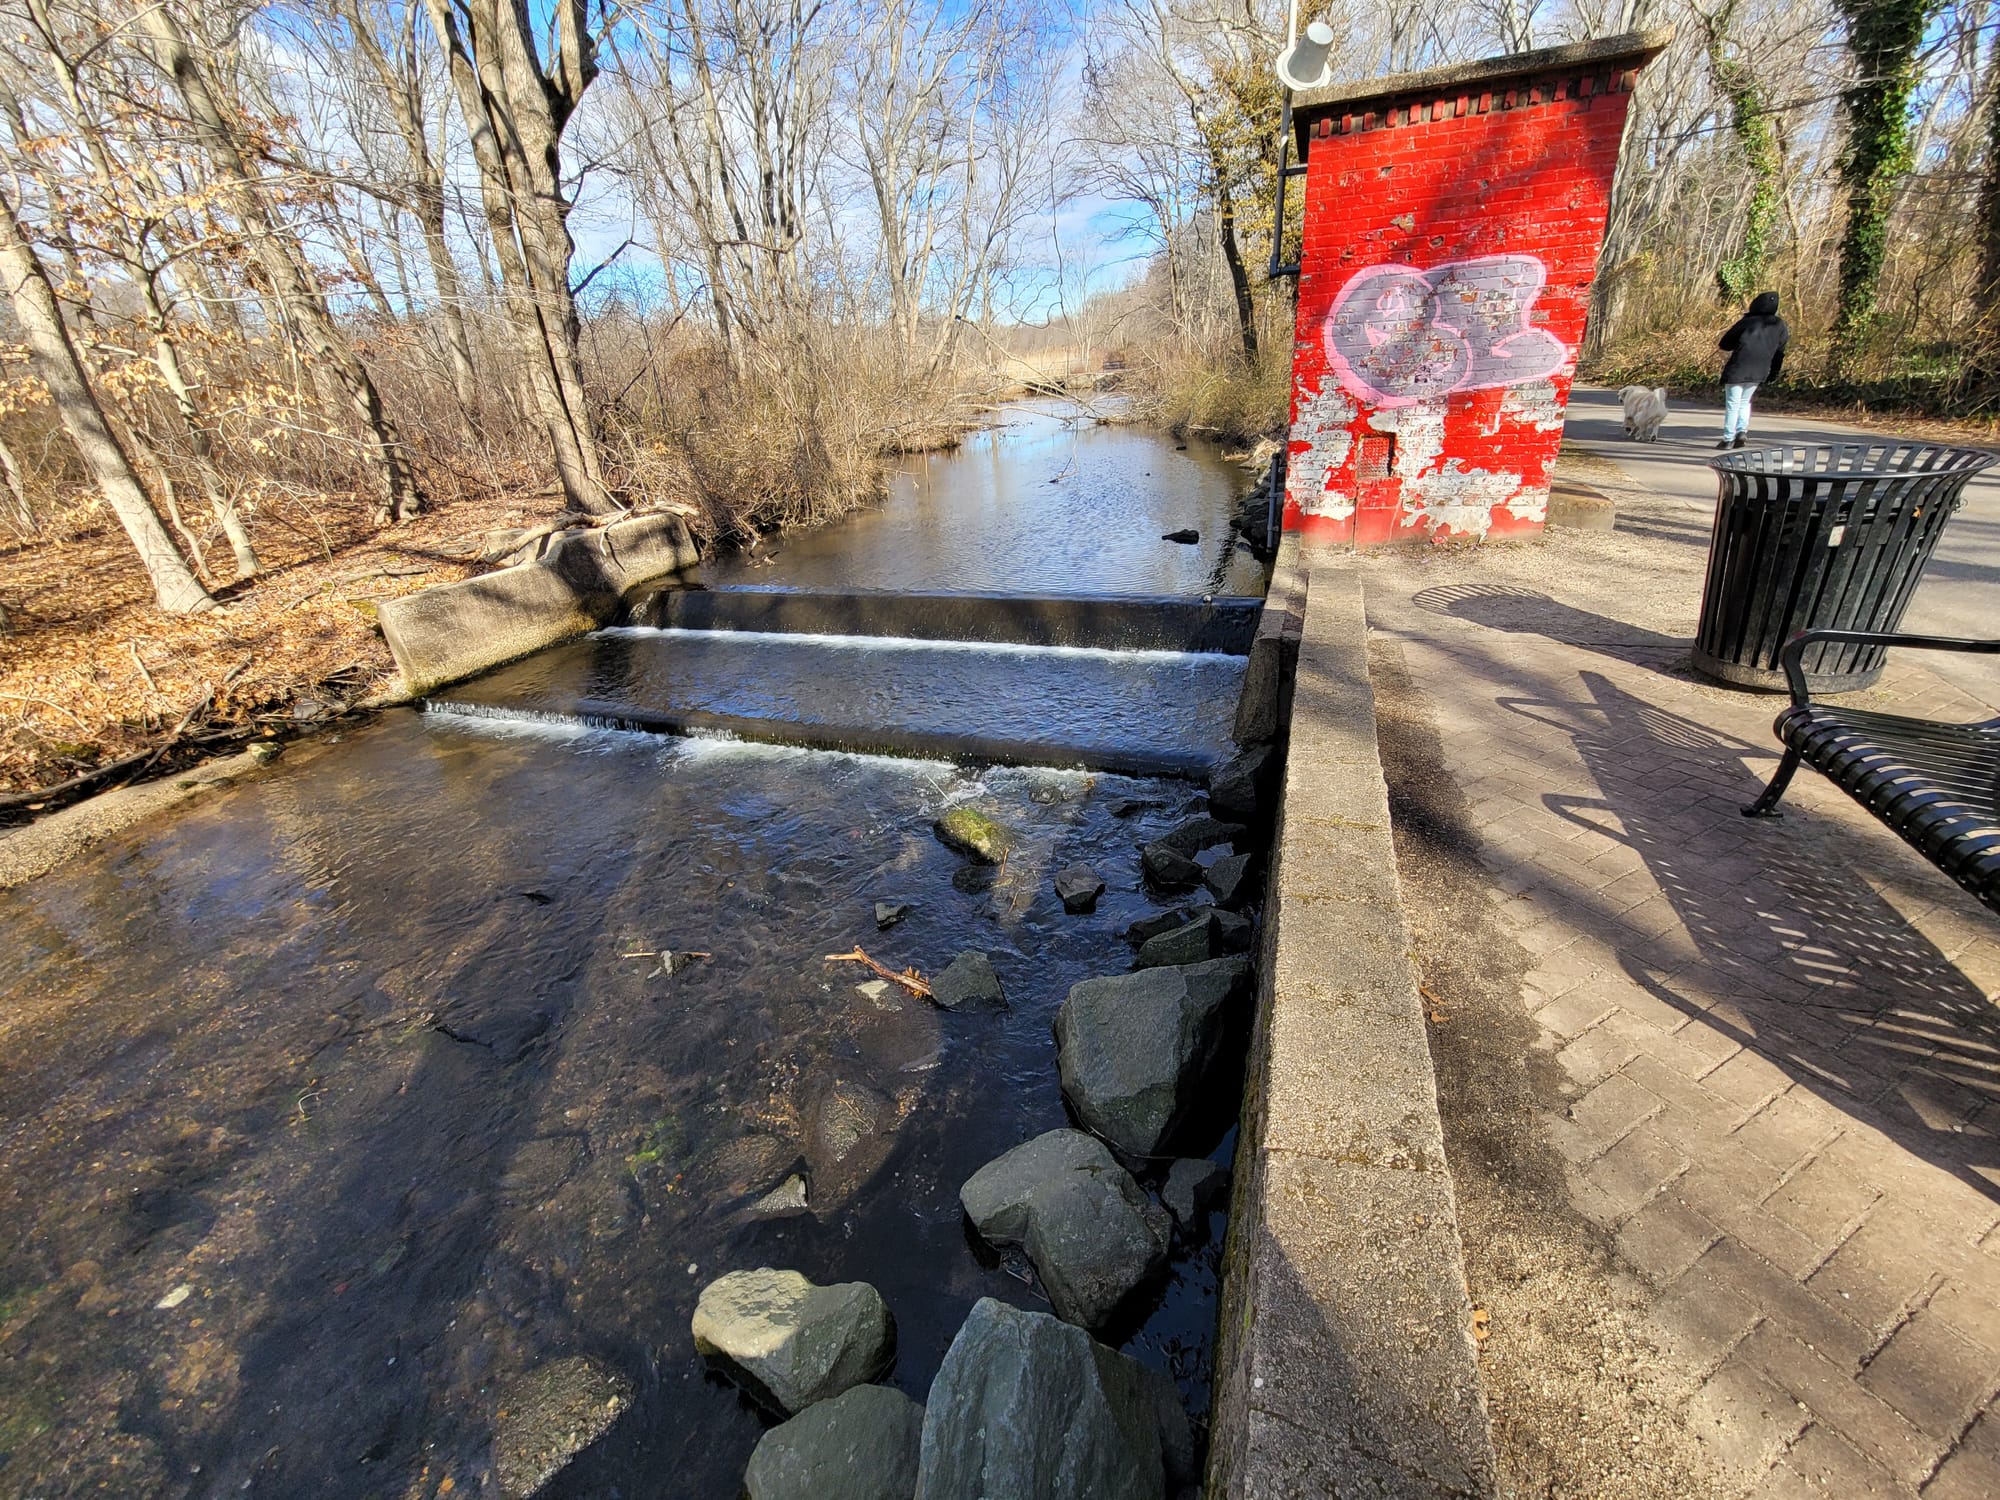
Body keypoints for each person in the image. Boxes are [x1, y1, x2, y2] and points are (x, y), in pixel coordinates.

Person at [1716, 291, 1789, 449]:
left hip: (1738, 368)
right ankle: (1741, 432)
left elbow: (1725, 343)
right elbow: (1779, 353)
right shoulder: (1780, 325)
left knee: (1733, 403)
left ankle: (1728, 438)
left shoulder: (1747, 321)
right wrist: (1773, 373)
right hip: (1760, 370)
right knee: (1744, 402)